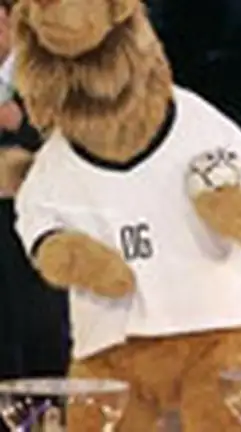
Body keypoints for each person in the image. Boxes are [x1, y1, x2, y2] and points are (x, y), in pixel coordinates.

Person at [0, 0, 66, 397]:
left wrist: (19, 123)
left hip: (36, 213)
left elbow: (74, 132)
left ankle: (48, 410)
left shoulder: (46, 70)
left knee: (38, 322)